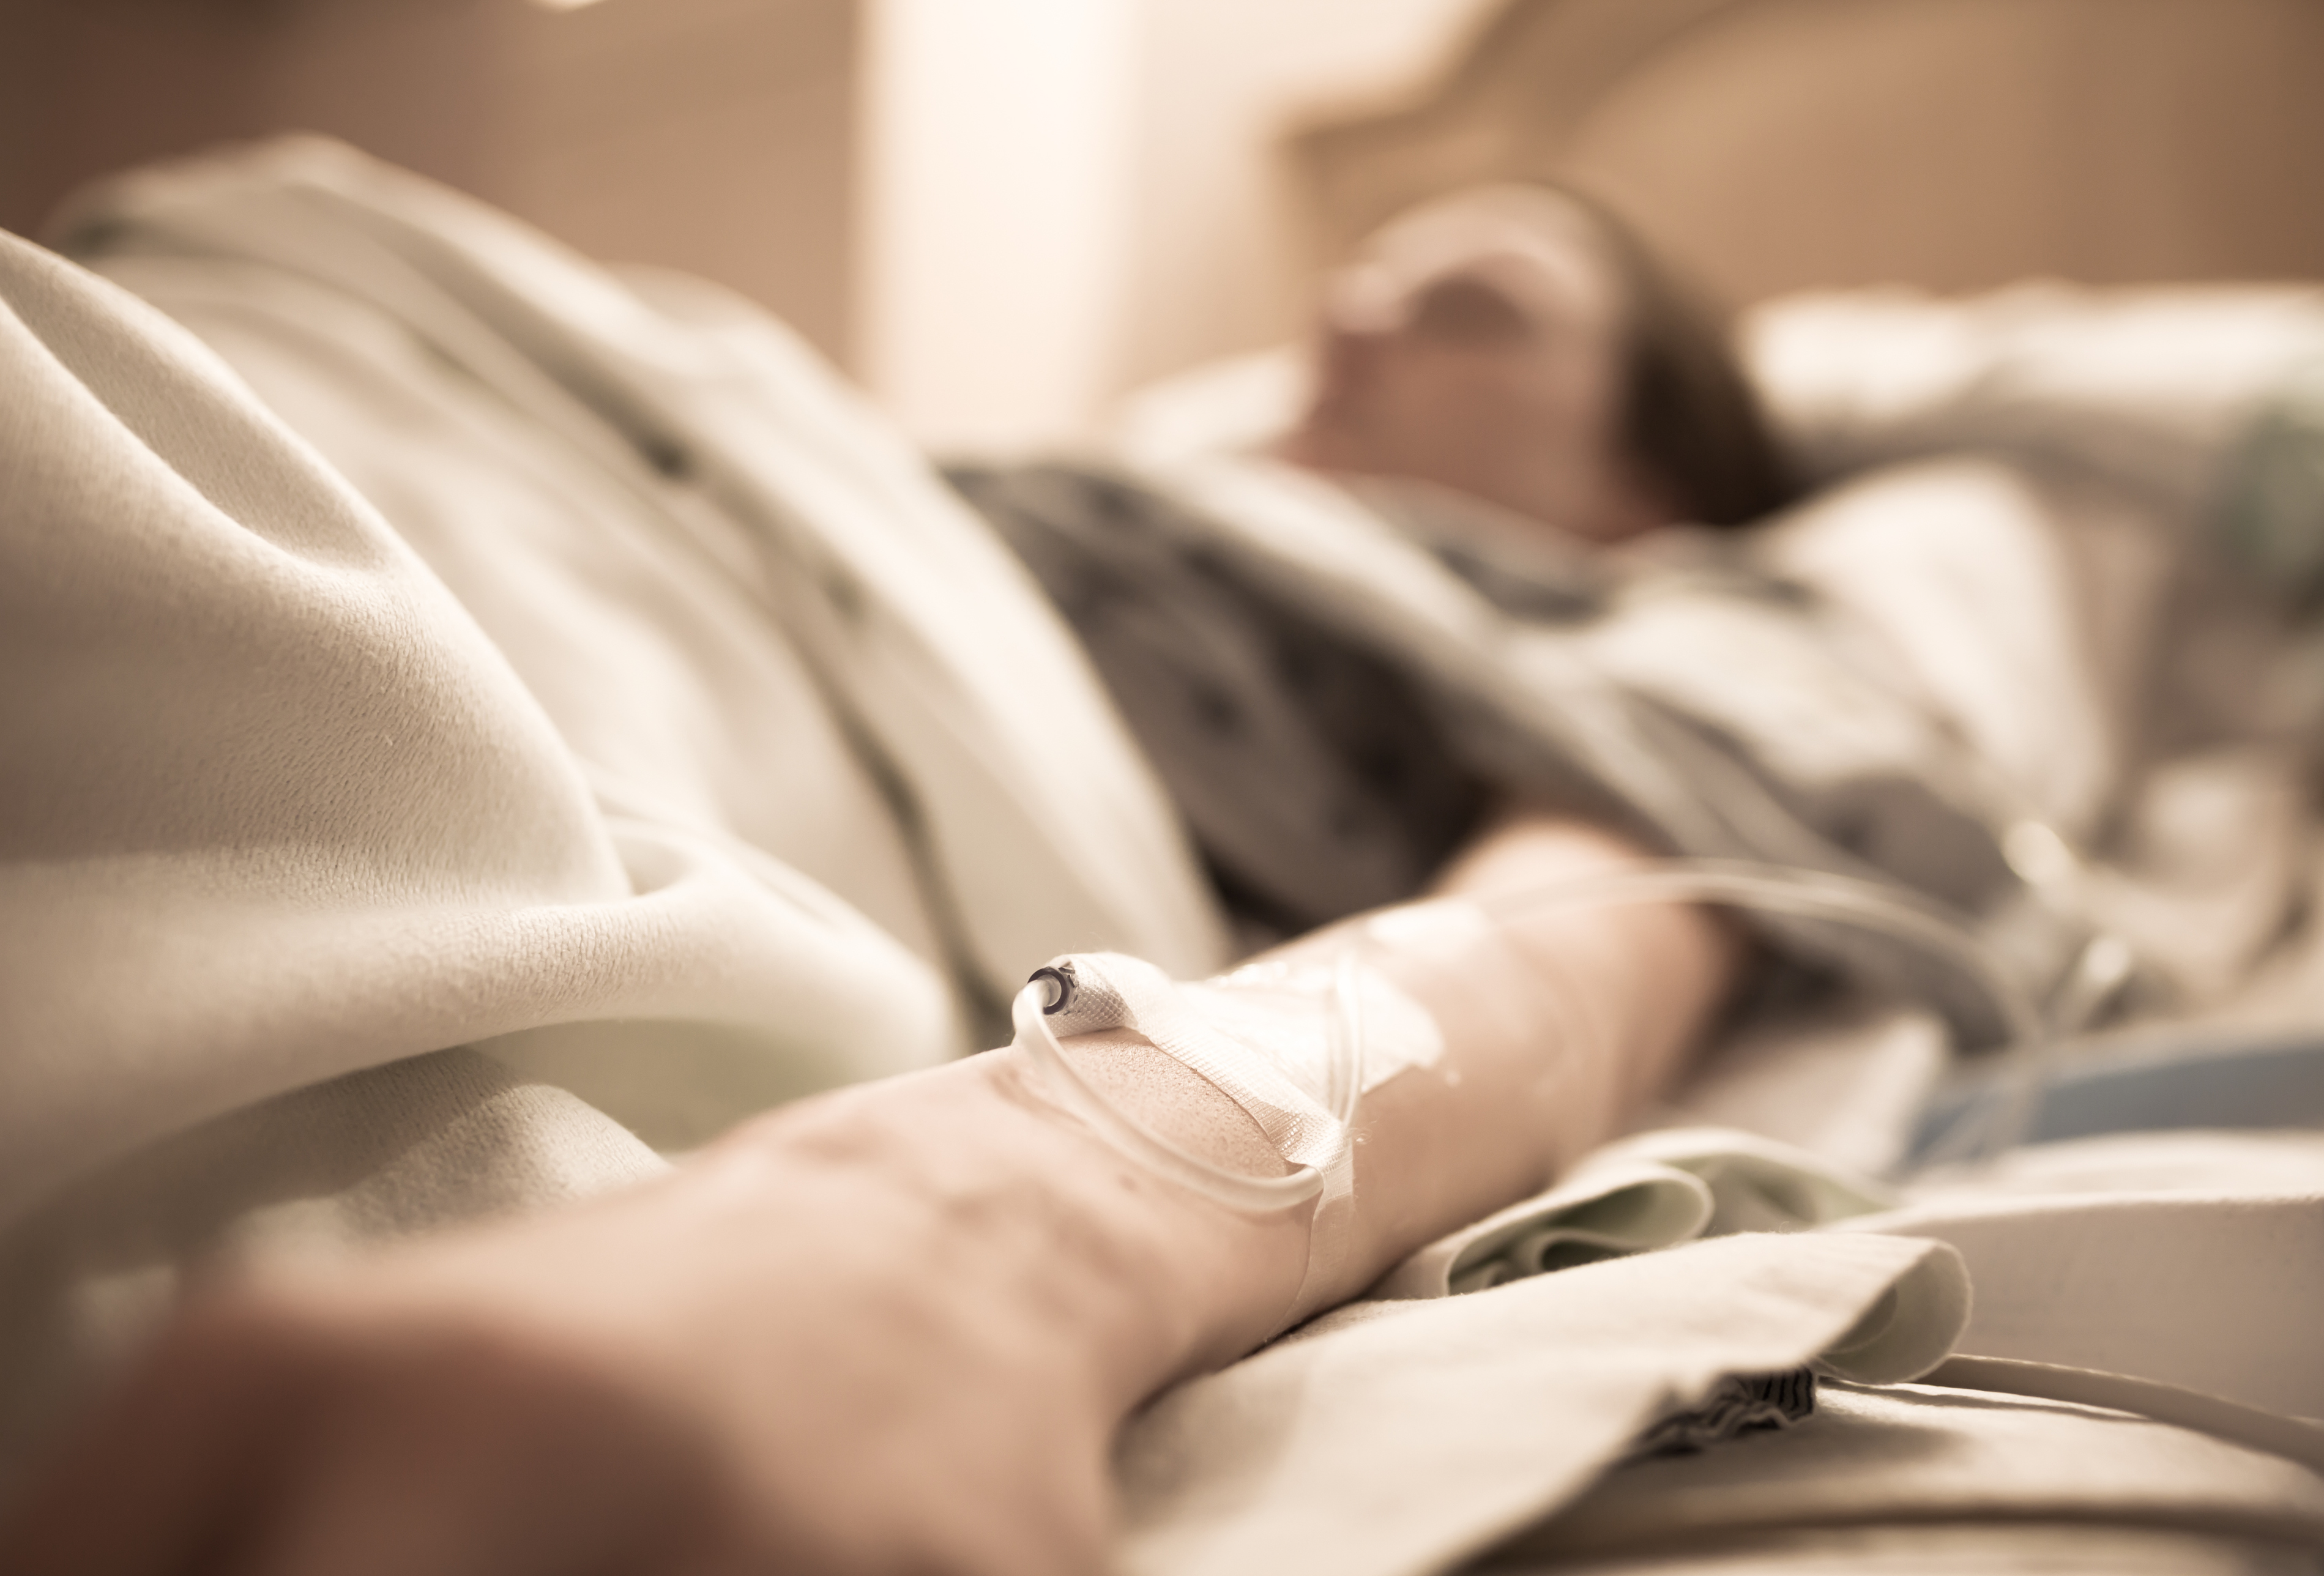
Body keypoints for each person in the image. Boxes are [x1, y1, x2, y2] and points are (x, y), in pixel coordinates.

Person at [0, 146, 1744, 1574]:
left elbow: (1602, 928)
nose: (1352, 315)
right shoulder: (1059, 485)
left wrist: (966, 1222)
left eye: (1468, 309)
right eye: (1361, 274)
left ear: (1643, 494)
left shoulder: (1700, 629)